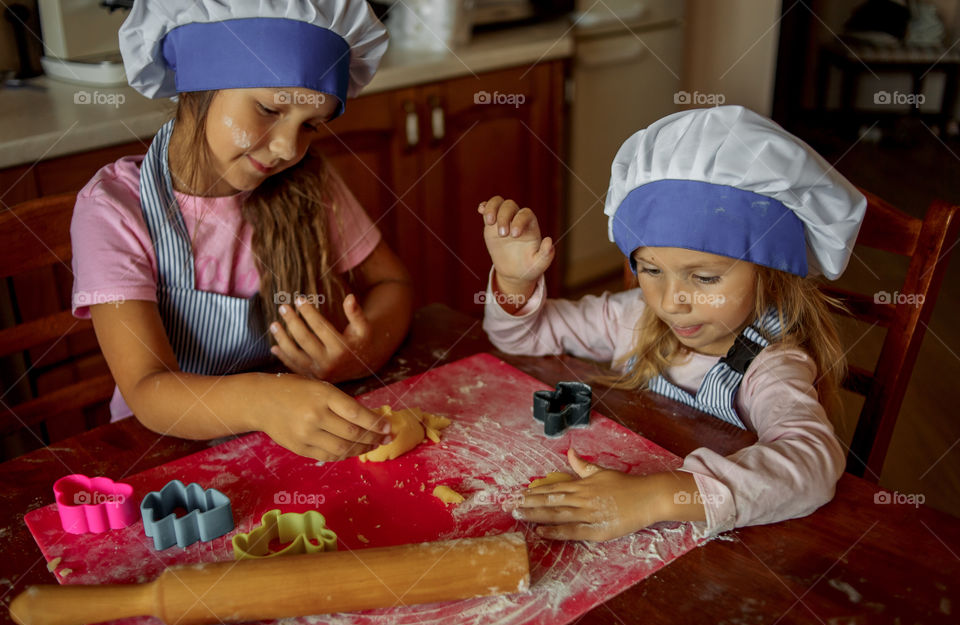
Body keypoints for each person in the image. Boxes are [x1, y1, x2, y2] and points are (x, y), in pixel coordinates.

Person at [479, 105, 866, 540]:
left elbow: (812, 463)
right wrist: (515, 282)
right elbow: (521, 336)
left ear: (769, 273)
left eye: (703, 277)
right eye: (651, 269)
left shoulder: (771, 365)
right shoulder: (631, 317)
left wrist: (661, 497)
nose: (671, 301)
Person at [71, 0, 413, 461]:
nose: (288, 148)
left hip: (287, 440)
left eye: (310, 125)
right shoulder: (115, 210)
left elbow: (393, 283)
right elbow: (147, 389)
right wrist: (266, 400)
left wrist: (361, 353)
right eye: (270, 109)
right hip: (166, 455)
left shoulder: (307, 182)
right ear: (200, 84)